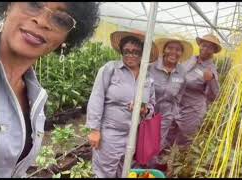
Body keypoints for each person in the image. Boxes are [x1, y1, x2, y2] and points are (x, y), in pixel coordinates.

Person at [0, 2, 100, 177]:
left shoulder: (34, 95)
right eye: (33, 4)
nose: (42, 21)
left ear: (67, 38)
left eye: (61, 20)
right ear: (8, 5)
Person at [86, 31, 158, 178]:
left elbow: (152, 105)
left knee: (124, 171)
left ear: (143, 54)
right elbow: (96, 98)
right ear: (121, 51)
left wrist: (144, 109)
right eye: (127, 51)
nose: (131, 55)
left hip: (133, 134)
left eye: (136, 52)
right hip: (110, 134)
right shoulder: (110, 69)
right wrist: (94, 129)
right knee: (104, 173)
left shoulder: (148, 77)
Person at [167, 34, 221, 149]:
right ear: (199, 45)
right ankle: (161, 164)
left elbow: (215, 96)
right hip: (177, 105)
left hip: (192, 110)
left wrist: (211, 80)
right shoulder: (190, 60)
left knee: (184, 141)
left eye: (210, 47)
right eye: (203, 45)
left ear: (214, 51)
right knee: (168, 136)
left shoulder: (210, 70)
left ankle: (180, 164)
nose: (205, 49)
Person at [148, 37, 193, 168]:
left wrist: (174, 110)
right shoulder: (152, 66)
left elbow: (181, 92)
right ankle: (138, 165)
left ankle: (150, 169)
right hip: (148, 110)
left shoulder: (182, 72)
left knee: (158, 141)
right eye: (170, 48)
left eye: (178, 50)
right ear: (164, 50)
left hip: (166, 112)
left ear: (181, 53)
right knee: (144, 139)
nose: (174, 52)